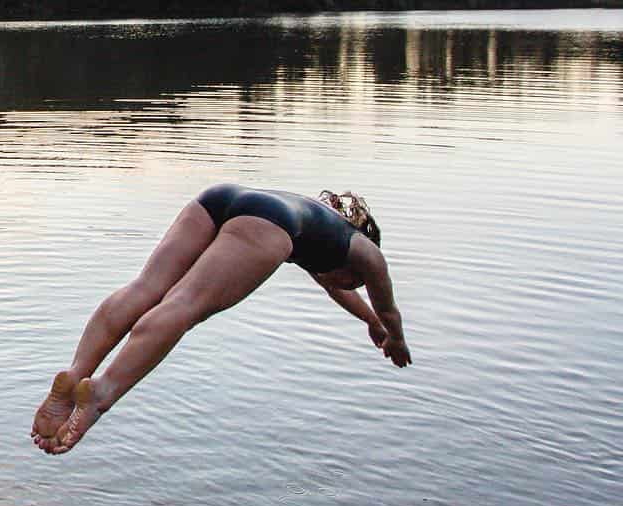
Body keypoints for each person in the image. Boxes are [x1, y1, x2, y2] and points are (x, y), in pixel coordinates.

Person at [31, 183, 411, 455]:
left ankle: (77, 370)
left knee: (145, 288)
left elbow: (336, 289)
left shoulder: (321, 226)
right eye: (356, 283)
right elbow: (387, 306)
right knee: (184, 305)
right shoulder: (368, 256)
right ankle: (101, 392)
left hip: (222, 197)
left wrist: (369, 323)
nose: (350, 284)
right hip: (267, 224)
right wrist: (394, 337)